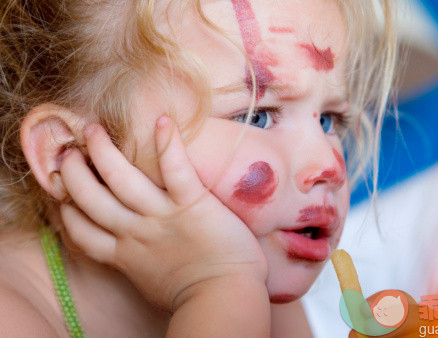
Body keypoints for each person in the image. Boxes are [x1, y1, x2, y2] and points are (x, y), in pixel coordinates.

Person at [0, 0, 397, 336]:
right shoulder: (12, 315)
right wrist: (217, 286)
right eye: (256, 117)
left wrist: (227, 285)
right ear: (71, 153)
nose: (328, 166)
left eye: (328, 120)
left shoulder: (260, 291)